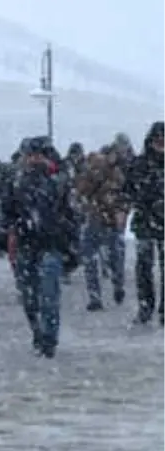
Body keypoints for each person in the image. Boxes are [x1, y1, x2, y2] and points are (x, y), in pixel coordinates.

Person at [2, 137, 76, 357]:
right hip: (26, 246)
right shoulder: (16, 184)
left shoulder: (58, 184)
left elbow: (70, 216)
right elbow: (5, 214)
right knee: (30, 297)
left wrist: (69, 246)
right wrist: (11, 232)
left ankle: (49, 339)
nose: (35, 160)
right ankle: (38, 331)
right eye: (31, 156)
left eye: (39, 155)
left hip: (50, 246)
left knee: (49, 295)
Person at [75, 148, 128, 311]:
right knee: (96, 260)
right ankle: (97, 295)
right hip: (97, 220)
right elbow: (80, 194)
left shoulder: (116, 175)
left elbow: (124, 195)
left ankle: (111, 288)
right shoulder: (90, 176)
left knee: (111, 259)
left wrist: (121, 212)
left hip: (107, 221)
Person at [125, 122, 165, 325]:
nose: (161, 144)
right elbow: (128, 189)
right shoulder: (139, 164)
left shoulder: (140, 164)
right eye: (158, 140)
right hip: (145, 221)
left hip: (155, 220)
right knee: (144, 267)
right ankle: (145, 306)